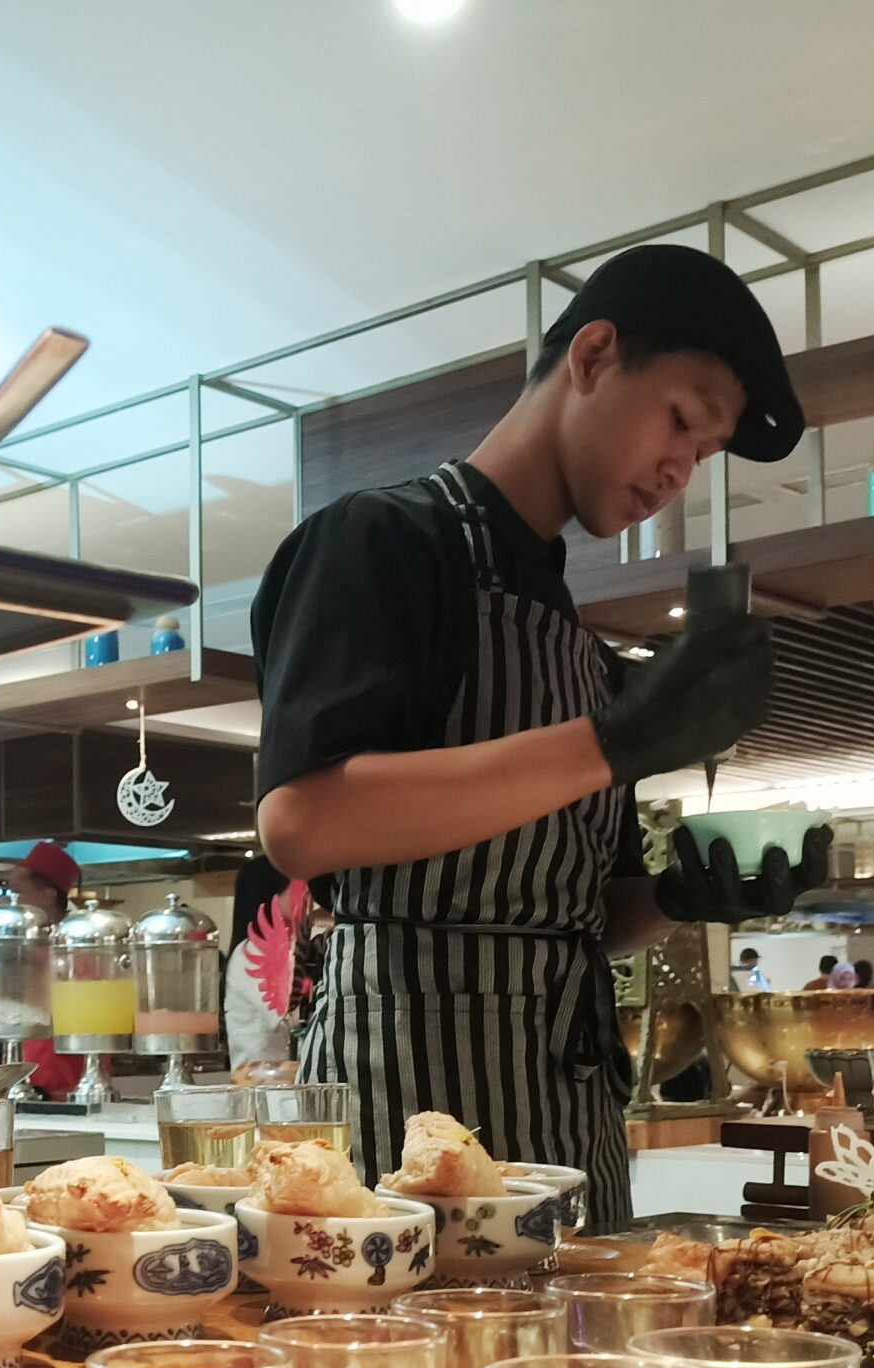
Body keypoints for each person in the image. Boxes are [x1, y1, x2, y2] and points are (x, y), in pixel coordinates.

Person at [250, 245, 812, 1224]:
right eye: (682, 419)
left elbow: (583, 916)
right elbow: (302, 822)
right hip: (409, 1113)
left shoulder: (575, 646)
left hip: (572, 1118)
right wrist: (611, 741)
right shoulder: (382, 542)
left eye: (703, 452)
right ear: (592, 356)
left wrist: (681, 897)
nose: (679, 469)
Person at [2, 840, 85, 1096]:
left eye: (17, 892)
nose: (10, 901)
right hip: (22, 1078)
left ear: (47, 895)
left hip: (61, 1084)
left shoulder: (75, 949)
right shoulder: (28, 944)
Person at [225, 854, 298, 1070]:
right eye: (296, 887)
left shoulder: (282, 947)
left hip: (279, 1079)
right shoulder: (254, 951)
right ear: (271, 894)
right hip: (260, 1081)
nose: (305, 895)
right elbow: (291, 1017)